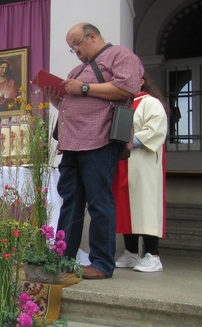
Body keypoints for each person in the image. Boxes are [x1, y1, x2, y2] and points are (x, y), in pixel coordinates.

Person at [43, 23, 143, 280]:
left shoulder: (120, 55)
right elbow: (69, 102)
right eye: (71, 47)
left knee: (99, 202)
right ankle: (64, 258)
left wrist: (84, 88)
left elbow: (128, 88)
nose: (75, 50)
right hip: (71, 143)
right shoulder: (77, 69)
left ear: (93, 36)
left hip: (100, 141)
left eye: (77, 43)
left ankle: (101, 263)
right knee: (71, 202)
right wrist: (55, 96)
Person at [113, 73, 169, 273]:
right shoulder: (122, 103)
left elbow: (156, 129)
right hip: (124, 162)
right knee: (127, 207)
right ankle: (130, 253)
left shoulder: (150, 103)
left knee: (145, 207)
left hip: (143, 162)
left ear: (142, 81)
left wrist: (130, 141)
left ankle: (153, 256)